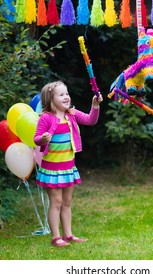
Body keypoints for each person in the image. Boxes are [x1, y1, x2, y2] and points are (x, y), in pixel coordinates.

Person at [34, 81, 103, 247]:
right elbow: (36, 138)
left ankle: (68, 234)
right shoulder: (46, 118)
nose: (66, 97)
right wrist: (42, 139)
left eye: (67, 93)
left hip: (68, 168)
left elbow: (90, 120)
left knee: (67, 202)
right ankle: (56, 237)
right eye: (61, 94)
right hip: (52, 170)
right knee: (56, 203)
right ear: (50, 99)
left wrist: (95, 105)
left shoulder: (71, 113)